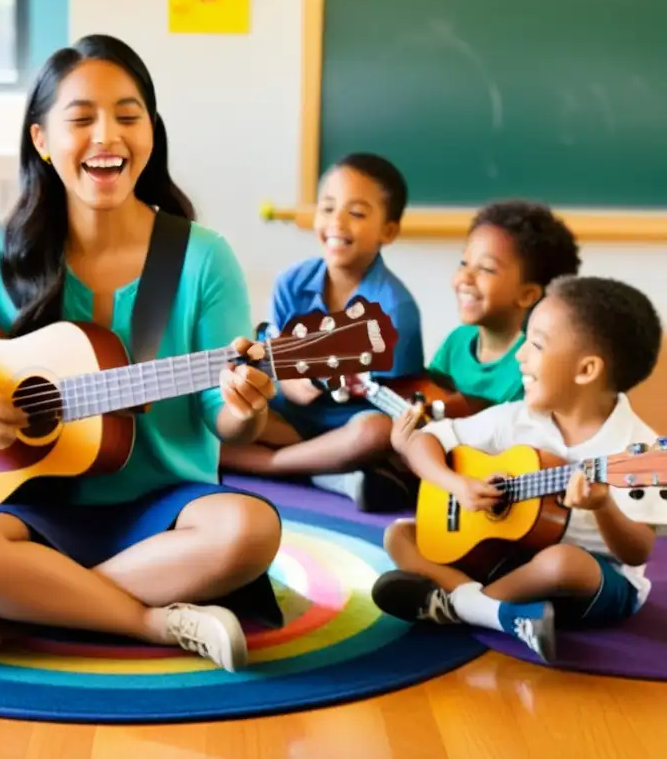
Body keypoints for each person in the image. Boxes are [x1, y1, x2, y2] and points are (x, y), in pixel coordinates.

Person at [0, 34, 283, 672]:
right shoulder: (9, 252)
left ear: (151, 135)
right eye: (81, 119)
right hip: (37, 508)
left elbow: (226, 413)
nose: (107, 135)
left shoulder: (198, 257)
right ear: (42, 141)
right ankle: (148, 619)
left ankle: (32, 601)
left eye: (128, 116)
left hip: (167, 507)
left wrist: (246, 409)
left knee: (249, 531)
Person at [374, 276, 666, 662]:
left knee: (563, 562)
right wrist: (456, 484)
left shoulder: (637, 452)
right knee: (400, 536)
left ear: (586, 370)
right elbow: (426, 441)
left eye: (537, 344)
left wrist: (603, 508)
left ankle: (458, 606)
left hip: (592, 582)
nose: (519, 355)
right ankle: (501, 614)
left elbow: (635, 551)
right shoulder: (518, 417)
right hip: (508, 556)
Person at [220, 153, 425, 511]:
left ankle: (270, 465)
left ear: (388, 231)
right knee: (212, 412)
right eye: (328, 208)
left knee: (377, 432)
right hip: (286, 420)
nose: (337, 222)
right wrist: (293, 383)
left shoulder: (395, 310)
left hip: (346, 430)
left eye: (357, 213)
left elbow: (400, 403)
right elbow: (279, 371)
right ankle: (328, 473)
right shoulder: (291, 283)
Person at [425, 200, 581, 409]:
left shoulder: (534, 363)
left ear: (527, 295)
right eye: (464, 263)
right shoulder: (456, 342)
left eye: (487, 269)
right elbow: (428, 396)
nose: (465, 277)